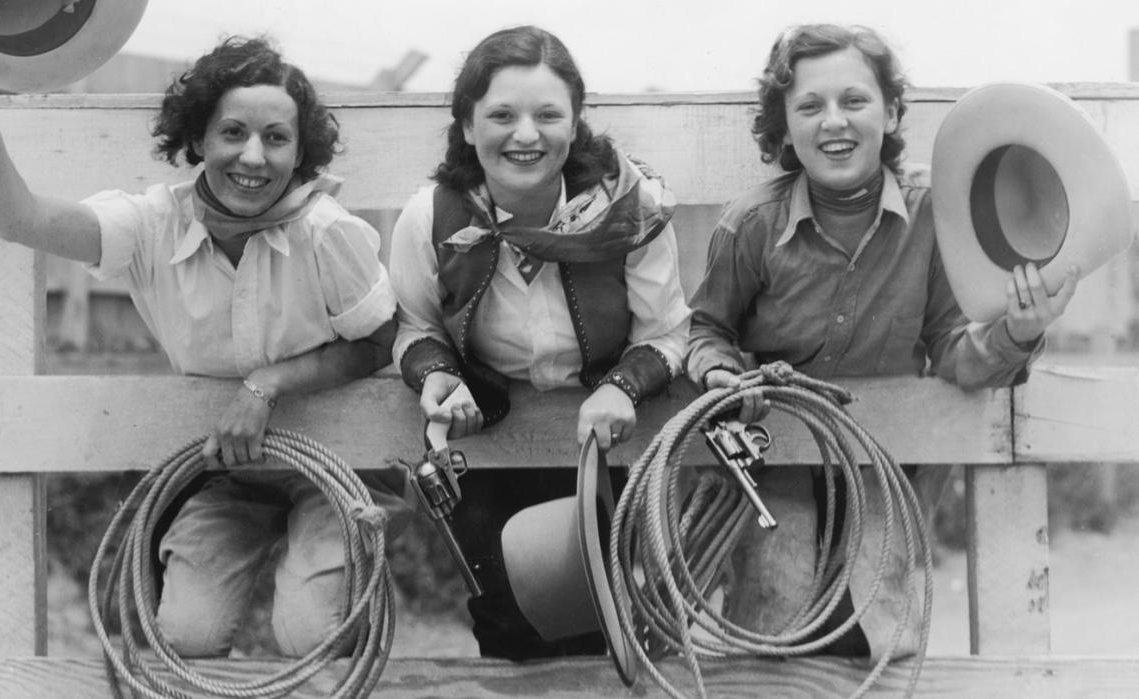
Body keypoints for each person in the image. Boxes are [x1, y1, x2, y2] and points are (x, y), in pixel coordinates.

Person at [0, 18, 406, 658]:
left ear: (300, 151)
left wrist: (268, 387)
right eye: (233, 133)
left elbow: (378, 342)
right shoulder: (153, 225)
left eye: (276, 137)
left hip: (340, 463)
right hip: (226, 473)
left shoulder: (327, 232)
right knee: (185, 635)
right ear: (200, 138)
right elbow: (19, 219)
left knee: (311, 634)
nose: (254, 157)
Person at [685, 23, 1079, 660]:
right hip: (773, 467)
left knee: (878, 635)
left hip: (885, 467)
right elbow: (707, 329)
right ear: (784, 128)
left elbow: (951, 346)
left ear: (892, 112)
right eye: (809, 106)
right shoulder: (750, 226)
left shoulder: (932, 215)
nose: (833, 121)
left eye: (855, 100)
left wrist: (1017, 333)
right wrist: (718, 373)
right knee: (772, 622)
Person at [389, 26, 691, 660]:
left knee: (597, 621)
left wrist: (622, 386)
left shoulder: (628, 210)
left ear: (574, 124)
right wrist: (437, 375)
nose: (526, 135)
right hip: (492, 433)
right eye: (501, 114)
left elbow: (666, 334)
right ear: (467, 126)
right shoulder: (429, 217)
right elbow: (416, 327)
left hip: (600, 439)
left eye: (548, 115)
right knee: (508, 620)